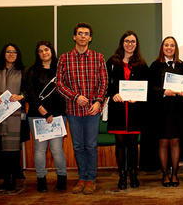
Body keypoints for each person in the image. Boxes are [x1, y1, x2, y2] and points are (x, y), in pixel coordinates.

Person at [56, 22, 108, 194]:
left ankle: (91, 179)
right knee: (78, 146)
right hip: (73, 110)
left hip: (93, 111)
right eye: (80, 33)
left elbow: (104, 82)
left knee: (91, 146)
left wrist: (99, 101)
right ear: (74, 36)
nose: (83, 36)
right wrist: (75, 97)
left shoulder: (98, 57)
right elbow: (59, 83)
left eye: (86, 33)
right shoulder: (64, 58)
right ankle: (82, 178)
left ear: (90, 38)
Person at [105, 30, 148, 190]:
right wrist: (112, 93)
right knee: (120, 144)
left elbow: (146, 86)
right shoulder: (112, 61)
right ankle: (122, 176)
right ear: (122, 43)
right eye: (127, 41)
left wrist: (140, 95)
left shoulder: (142, 64)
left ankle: (133, 174)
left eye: (133, 42)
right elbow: (106, 83)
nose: (130, 44)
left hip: (135, 110)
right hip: (118, 109)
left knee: (132, 144)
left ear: (136, 45)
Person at [148, 36, 183, 187]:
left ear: (175, 48)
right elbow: (150, 87)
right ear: (162, 48)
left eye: (172, 45)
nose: (169, 48)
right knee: (163, 142)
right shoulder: (155, 65)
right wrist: (163, 91)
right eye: (166, 45)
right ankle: (165, 174)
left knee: (175, 141)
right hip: (161, 110)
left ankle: (174, 174)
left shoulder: (182, 65)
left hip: (177, 110)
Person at [25, 41, 67, 192]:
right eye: (40, 51)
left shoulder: (61, 70)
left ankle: (62, 179)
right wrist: (44, 112)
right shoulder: (31, 71)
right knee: (39, 150)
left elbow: (64, 94)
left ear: (52, 51)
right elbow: (30, 94)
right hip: (37, 116)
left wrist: (53, 114)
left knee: (57, 149)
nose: (44, 53)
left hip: (57, 116)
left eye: (46, 49)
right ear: (38, 54)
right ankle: (41, 180)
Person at [0, 43, 25, 192]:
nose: (11, 54)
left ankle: (14, 180)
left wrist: (20, 96)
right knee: (1, 149)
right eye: (8, 52)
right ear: (4, 53)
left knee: (13, 150)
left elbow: (27, 91)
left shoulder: (23, 71)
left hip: (15, 116)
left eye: (14, 52)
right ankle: (5, 180)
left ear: (17, 55)